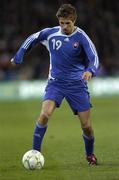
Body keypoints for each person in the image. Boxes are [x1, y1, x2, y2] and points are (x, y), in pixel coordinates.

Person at [11, 4, 99, 165]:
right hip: (55, 84)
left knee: (86, 126)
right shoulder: (51, 34)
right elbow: (33, 38)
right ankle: (35, 153)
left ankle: (90, 154)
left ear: (74, 21)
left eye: (68, 23)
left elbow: (94, 57)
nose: (64, 27)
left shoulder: (81, 37)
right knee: (44, 115)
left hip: (77, 85)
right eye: (62, 23)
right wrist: (19, 54)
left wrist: (90, 70)